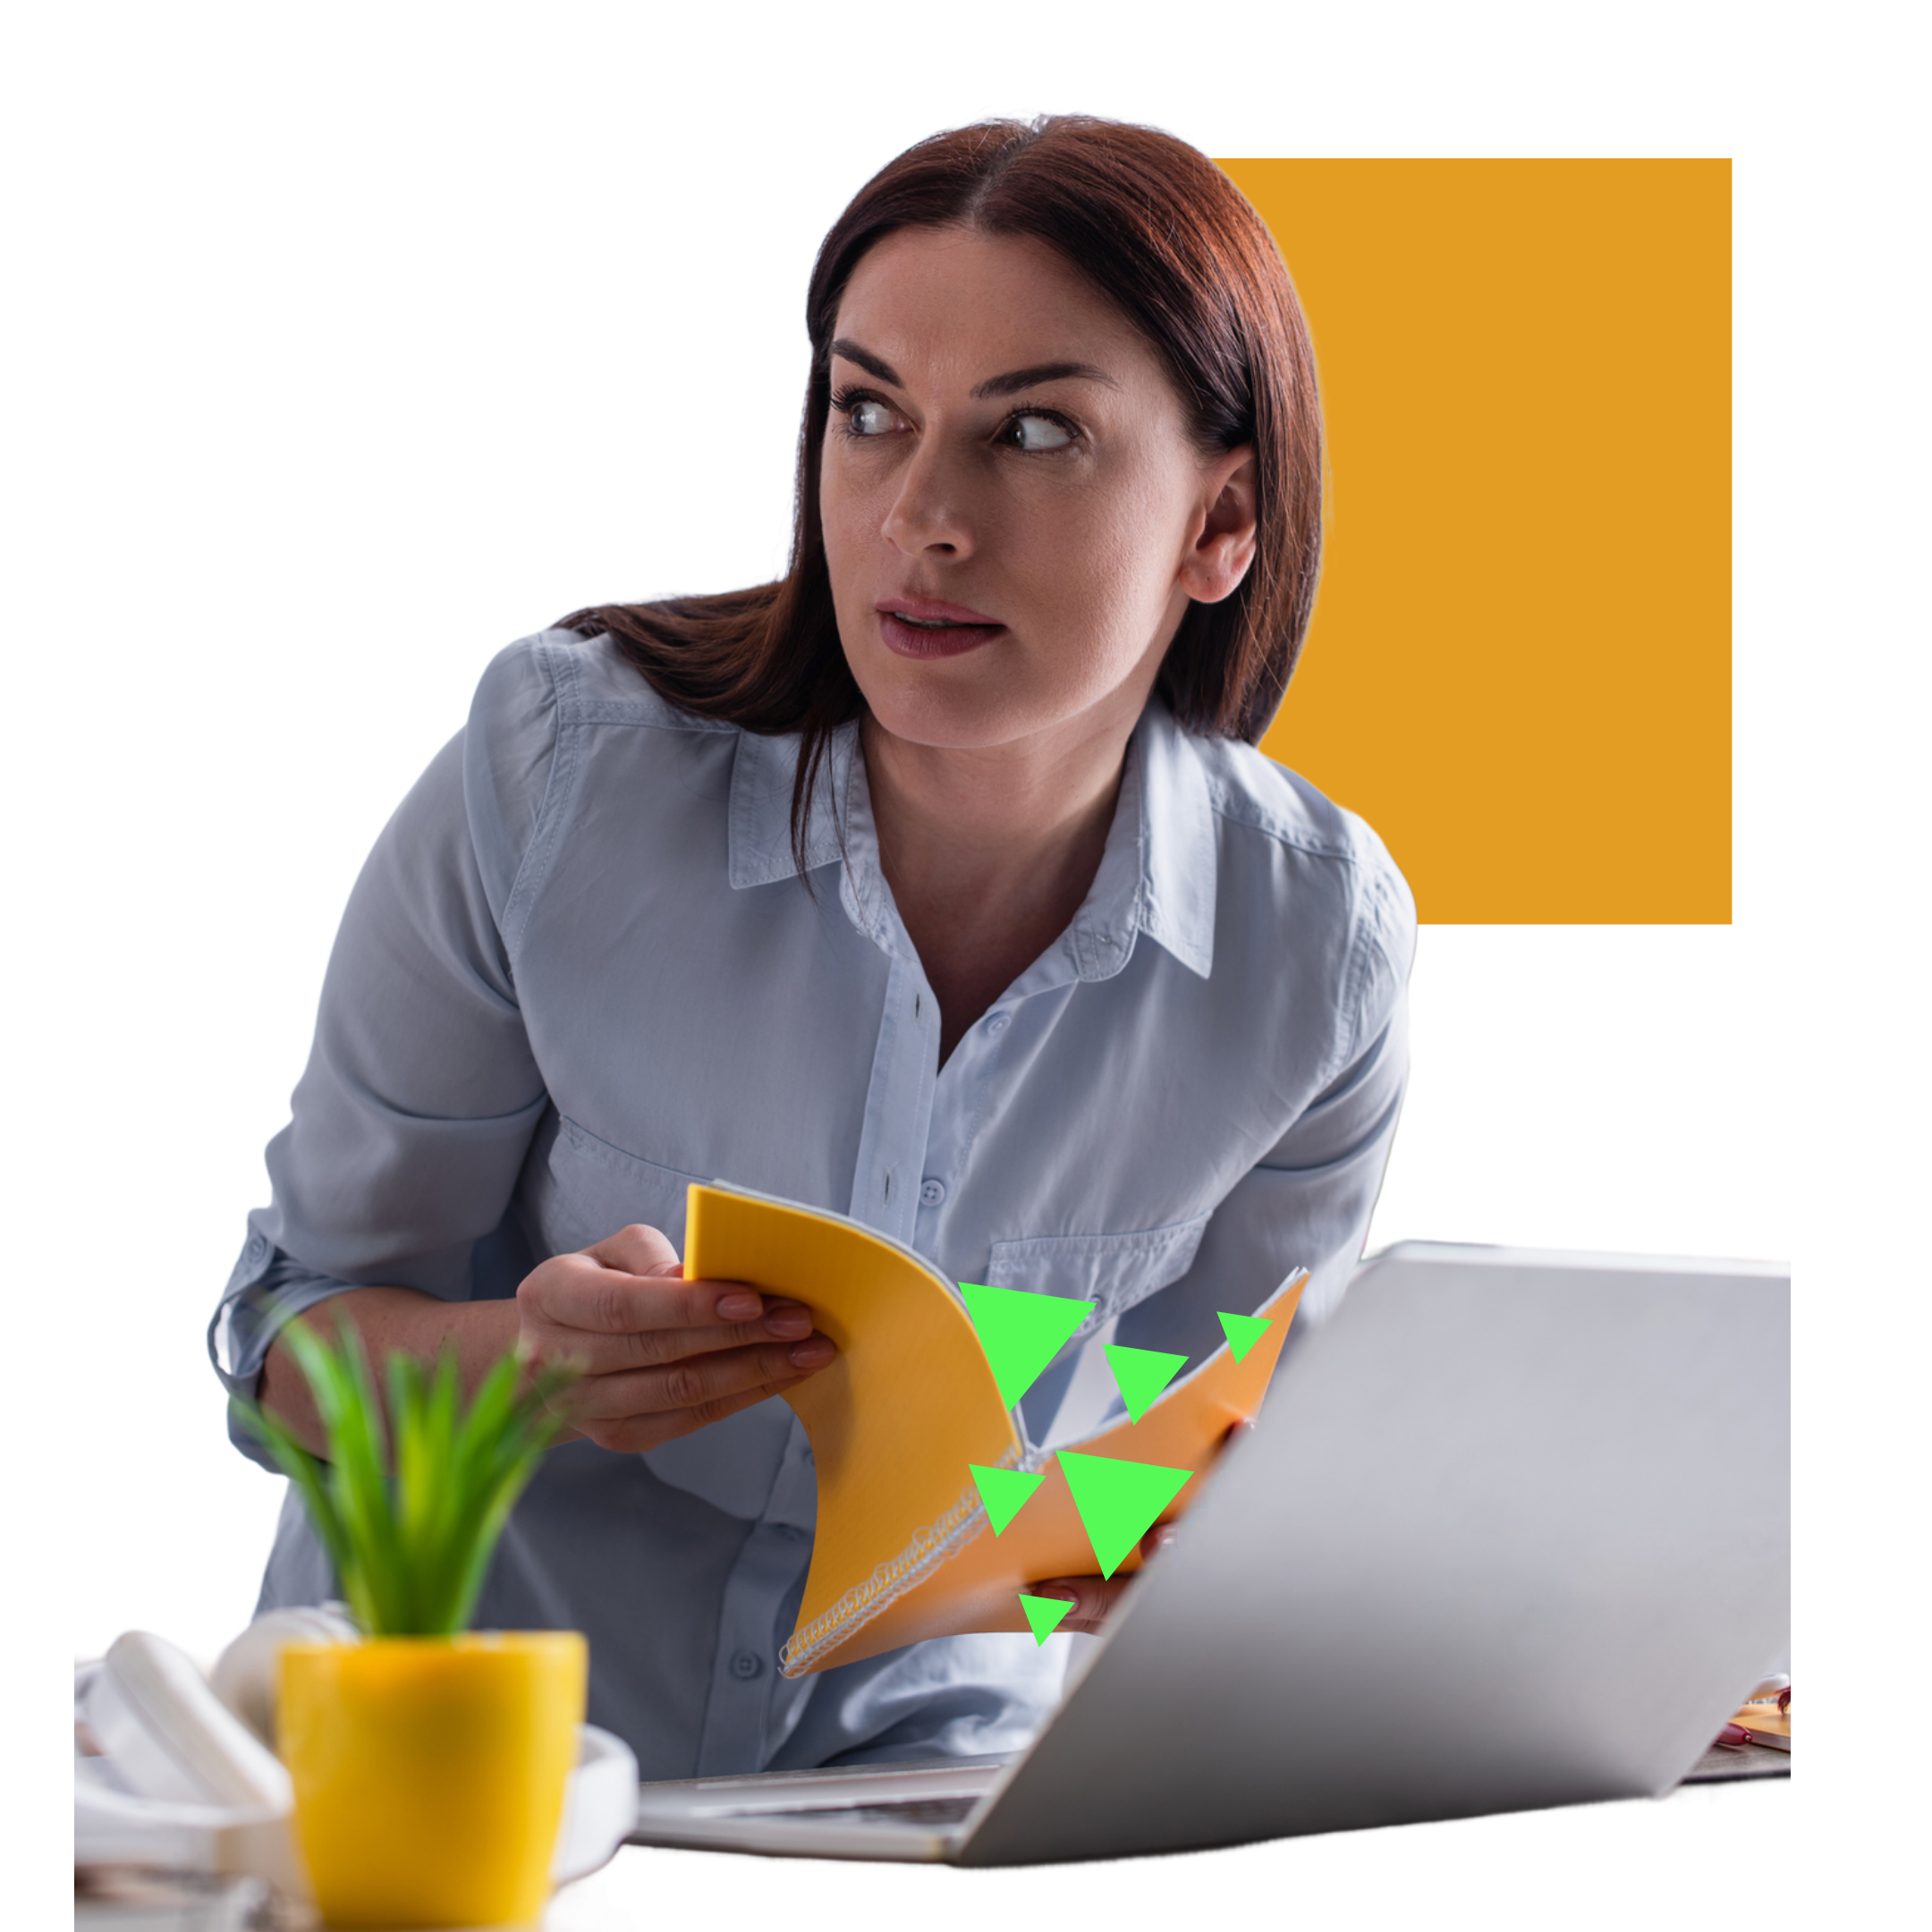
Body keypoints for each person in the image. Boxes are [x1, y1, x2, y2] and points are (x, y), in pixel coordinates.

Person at [208, 114, 1416, 1778]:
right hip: (477, 1787)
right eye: (870, 414)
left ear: (1221, 525)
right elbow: (294, 1333)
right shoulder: (559, 776)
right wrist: (526, 1370)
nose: (921, 514)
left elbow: (1193, 1488)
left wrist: (1442, 1611)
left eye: (1037, 433)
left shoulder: (1317, 950)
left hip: (916, 1803)